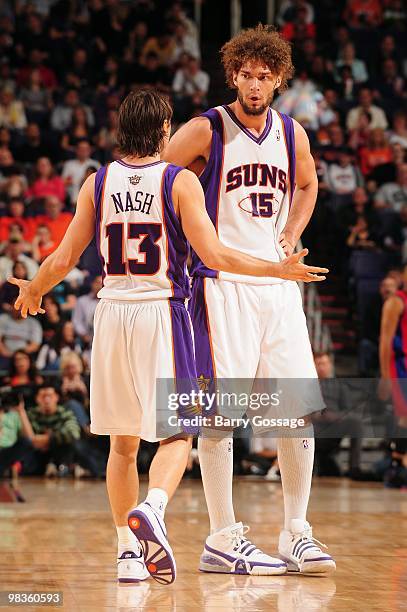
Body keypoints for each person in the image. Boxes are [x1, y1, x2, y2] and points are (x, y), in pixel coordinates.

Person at [8, 89, 328, 585]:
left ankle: (127, 553)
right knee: (181, 432)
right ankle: (154, 507)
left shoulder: (97, 182)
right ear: (163, 131)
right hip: (163, 312)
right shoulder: (179, 184)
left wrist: (34, 287)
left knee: (121, 445)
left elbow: (67, 255)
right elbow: (217, 257)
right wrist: (277, 270)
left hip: (112, 314)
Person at [164, 24, 336, 575]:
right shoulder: (206, 128)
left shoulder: (293, 134)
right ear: (232, 74)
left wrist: (291, 231)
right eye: (246, 75)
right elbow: (158, 181)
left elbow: (308, 185)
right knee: (220, 414)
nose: (255, 84)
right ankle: (221, 536)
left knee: (297, 413)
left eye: (265, 76)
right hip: (222, 285)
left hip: (279, 282)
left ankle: (296, 531)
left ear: (279, 80)